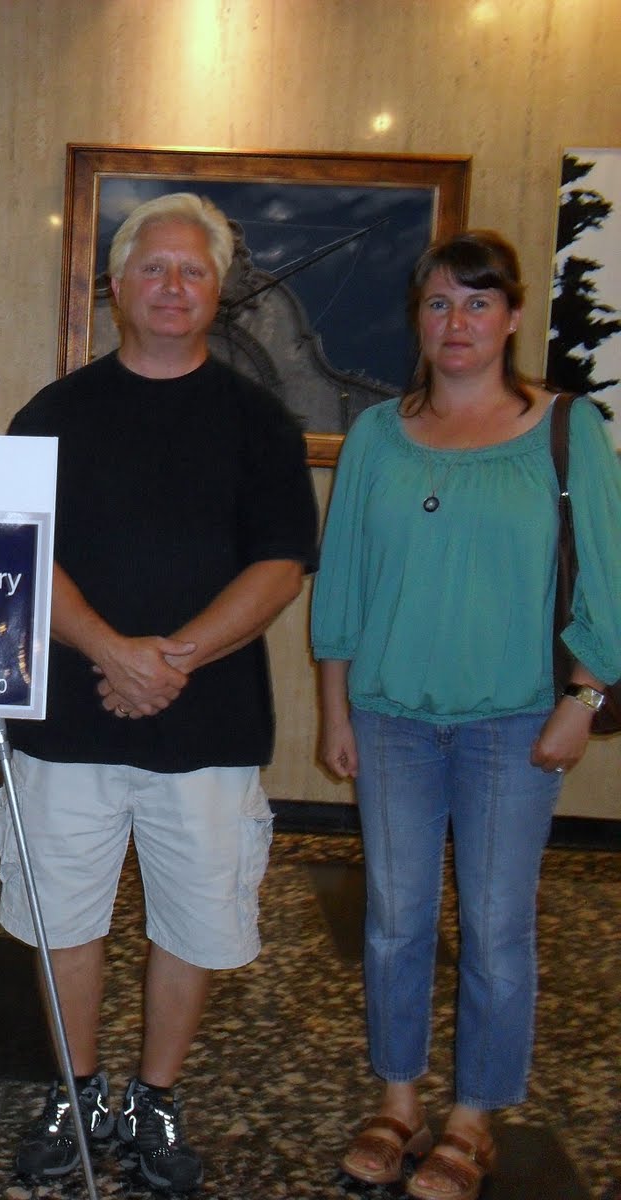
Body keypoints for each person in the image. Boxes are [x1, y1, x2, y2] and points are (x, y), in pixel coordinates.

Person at [0, 192, 319, 1193]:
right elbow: (22, 550)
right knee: (66, 919)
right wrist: (109, 650)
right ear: (117, 288)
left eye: (192, 271)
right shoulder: (52, 414)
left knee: (194, 921)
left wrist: (169, 657)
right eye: (152, 268)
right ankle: (77, 1089)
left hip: (209, 722)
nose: (172, 286)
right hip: (67, 717)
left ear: (217, 292)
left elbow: (279, 564)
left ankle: (155, 1099)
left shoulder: (258, 420)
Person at [313, 230, 621, 1200]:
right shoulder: (374, 436)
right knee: (395, 922)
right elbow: (343, 591)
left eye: (478, 302)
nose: (457, 323)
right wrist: (335, 711)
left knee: (495, 928)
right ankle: (396, 1101)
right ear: (418, 318)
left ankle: (472, 1118)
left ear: (514, 316)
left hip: (511, 721)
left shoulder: (568, 430)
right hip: (391, 717)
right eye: (439, 303)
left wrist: (584, 697)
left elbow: (605, 584)